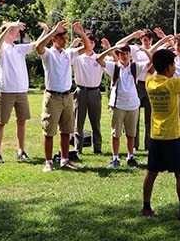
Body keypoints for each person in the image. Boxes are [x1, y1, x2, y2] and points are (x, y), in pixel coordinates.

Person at [141, 47, 180, 219]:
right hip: (172, 136)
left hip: (155, 136)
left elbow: (148, 71)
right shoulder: (172, 84)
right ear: (169, 67)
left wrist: (154, 61)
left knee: (151, 172)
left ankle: (146, 208)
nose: (175, 68)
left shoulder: (150, 83)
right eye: (173, 65)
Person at [97, 37, 168, 169]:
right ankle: (115, 158)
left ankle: (130, 157)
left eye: (126, 54)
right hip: (117, 104)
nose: (124, 56)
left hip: (132, 105)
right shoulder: (114, 67)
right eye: (121, 54)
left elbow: (152, 61)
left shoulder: (135, 67)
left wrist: (145, 50)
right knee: (116, 134)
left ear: (130, 55)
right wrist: (111, 49)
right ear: (118, 55)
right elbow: (99, 60)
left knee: (131, 134)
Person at [36, 20, 91, 172]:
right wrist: (53, 31)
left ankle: (65, 160)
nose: (65, 40)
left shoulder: (69, 53)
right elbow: (38, 46)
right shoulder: (48, 54)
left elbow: (88, 47)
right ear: (54, 39)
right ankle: (48, 162)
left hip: (67, 96)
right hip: (52, 97)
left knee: (66, 130)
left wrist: (81, 33)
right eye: (62, 38)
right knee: (49, 131)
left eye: (66, 38)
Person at [0, 21, 46, 163]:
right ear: (8, 32)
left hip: (21, 92)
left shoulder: (19, 48)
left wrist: (45, 31)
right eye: (15, 31)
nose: (18, 33)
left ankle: (21, 151)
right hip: (6, 92)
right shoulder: (1, 49)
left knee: (21, 122)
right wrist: (11, 26)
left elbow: (36, 45)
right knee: (1, 123)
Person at [116, 29, 155, 150]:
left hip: (150, 84)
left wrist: (146, 50)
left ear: (151, 40)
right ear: (141, 40)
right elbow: (118, 45)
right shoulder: (135, 49)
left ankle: (148, 145)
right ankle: (135, 145)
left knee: (149, 117)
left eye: (148, 40)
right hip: (138, 85)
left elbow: (152, 61)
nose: (146, 42)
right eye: (144, 40)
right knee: (135, 115)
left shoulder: (152, 49)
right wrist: (132, 35)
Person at [71, 33, 108, 154]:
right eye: (87, 42)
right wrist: (73, 45)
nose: (89, 45)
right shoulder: (78, 58)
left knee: (95, 122)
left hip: (95, 92)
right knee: (78, 122)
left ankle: (97, 148)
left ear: (94, 44)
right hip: (81, 91)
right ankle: (78, 148)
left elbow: (116, 61)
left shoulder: (99, 58)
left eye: (92, 42)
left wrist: (108, 48)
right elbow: (66, 57)